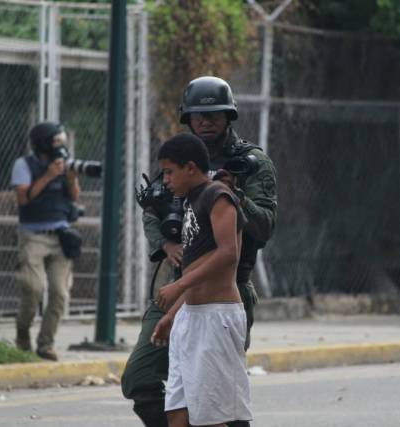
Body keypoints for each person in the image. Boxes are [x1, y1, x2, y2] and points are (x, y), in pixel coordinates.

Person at [122, 76, 277, 426]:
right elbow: (154, 207)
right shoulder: (181, 157)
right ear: (187, 119)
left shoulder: (248, 163)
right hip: (180, 289)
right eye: (198, 116)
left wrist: (235, 195)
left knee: (220, 401)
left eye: (215, 116)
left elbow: (263, 226)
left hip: (224, 293)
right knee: (141, 380)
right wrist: (167, 244)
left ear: (229, 117)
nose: (206, 122)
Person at [154, 133, 252, 427]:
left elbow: (228, 254)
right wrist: (173, 314)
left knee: (212, 418)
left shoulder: (218, 196)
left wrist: (179, 284)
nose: (166, 180)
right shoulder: (190, 202)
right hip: (191, 316)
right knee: (178, 414)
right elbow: (200, 264)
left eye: (170, 172)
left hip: (216, 317)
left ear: (191, 168)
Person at [10, 122, 80, 361]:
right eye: (55, 141)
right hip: (33, 235)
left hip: (60, 235)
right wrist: (49, 176)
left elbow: (75, 196)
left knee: (60, 293)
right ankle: (22, 332)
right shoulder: (24, 165)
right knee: (33, 288)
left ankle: (46, 343)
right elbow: (23, 199)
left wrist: (70, 178)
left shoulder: (65, 163)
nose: (60, 146)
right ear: (42, 143)